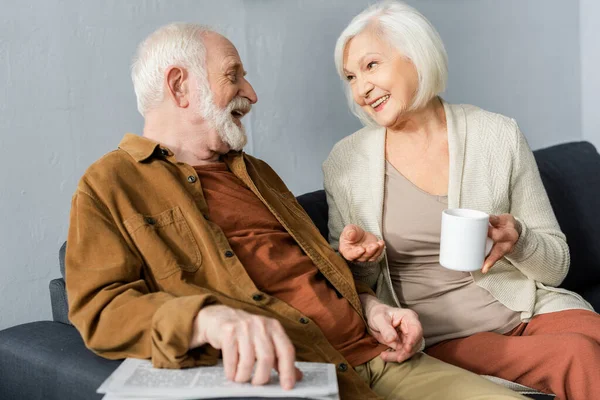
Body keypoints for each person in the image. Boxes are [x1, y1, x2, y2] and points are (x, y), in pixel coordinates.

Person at [64, 22, 527, 400]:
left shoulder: (257, 173)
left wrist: (370, 307)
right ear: (180, 86)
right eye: (233, 75)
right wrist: (206, 319)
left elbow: (313, 270)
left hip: (380, 359)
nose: (252, 93)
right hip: (299, 378)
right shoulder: (110, 185)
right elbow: (100, 309)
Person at [322, 1, 600, 399]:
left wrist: (518, 240)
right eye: (349, 76)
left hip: (524, 308)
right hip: (441, 338)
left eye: (370, 66)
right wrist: (357, 261)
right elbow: (351, 293)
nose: (360, 89)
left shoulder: (497, 135)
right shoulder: (345, 163)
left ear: (415, 56)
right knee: (576, 354)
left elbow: (555, 267)